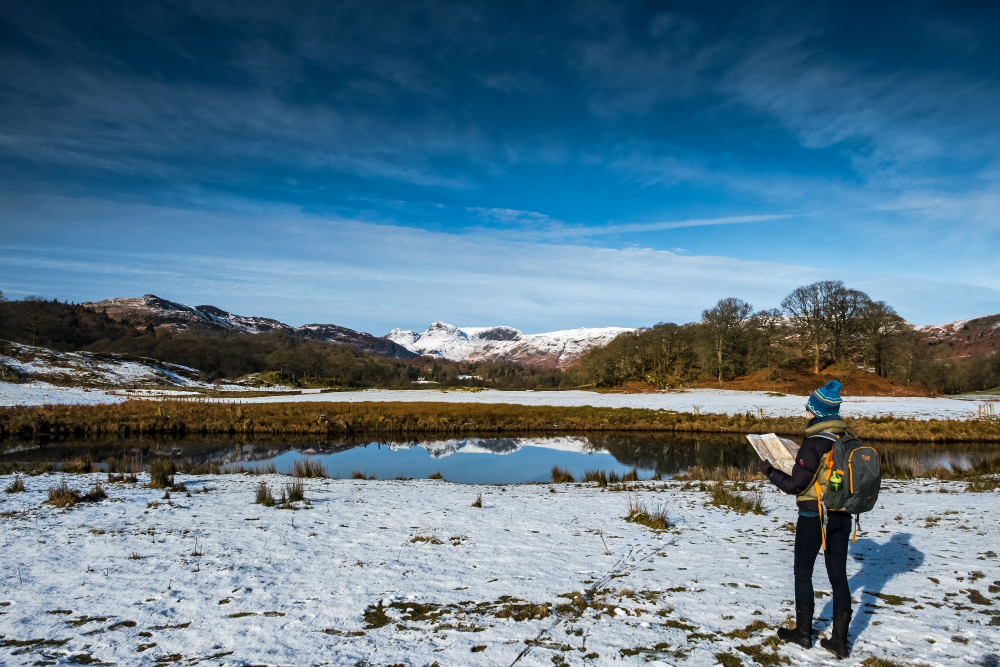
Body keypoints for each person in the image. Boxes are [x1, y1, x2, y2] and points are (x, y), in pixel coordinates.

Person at [758, 380, 853, 659]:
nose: (807, 414)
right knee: (839, 578)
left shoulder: (814, 443)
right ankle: (840, 642)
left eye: (809, 410)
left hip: (814, 516)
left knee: (803, 572)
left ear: (817, 412)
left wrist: (769, 470)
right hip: (842, 515)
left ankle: (803, 634)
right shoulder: (845, 439)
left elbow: (795, 486)